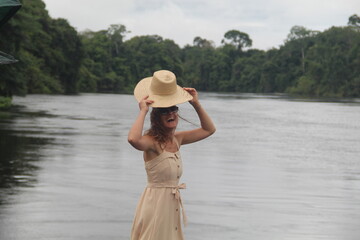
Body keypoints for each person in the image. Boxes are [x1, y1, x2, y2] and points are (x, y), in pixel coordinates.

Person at [128, 70, 216, 240]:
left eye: (173, 109)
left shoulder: (178, 139)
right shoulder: (152, 143)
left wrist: (195, 103)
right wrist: (143, 111)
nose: (171, 114)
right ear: (156, 117)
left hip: (171, 206)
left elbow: (209, 129)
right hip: (155, 207)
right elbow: (133, 139)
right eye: (165, 111)